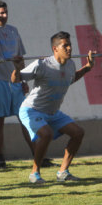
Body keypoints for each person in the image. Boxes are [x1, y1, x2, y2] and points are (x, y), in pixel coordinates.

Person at [12, 32, 94, 183]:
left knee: (78, 133)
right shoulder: (41, 65)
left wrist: (87, 68)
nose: (69, 49)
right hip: (31, 109)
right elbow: (16, 79)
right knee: (46, 133)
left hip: (52, 112)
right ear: (55, 49)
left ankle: (63, 172)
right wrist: (17, 68)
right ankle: (34, 174)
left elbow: (71, 79)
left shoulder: (70, 65)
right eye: (65, 46)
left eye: (70, 45)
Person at [0, 0, 37, 169]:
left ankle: (37, 154)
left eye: (6, 12)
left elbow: (20, 58)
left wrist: (24, 79)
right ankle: (1, 159)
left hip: (16, 80)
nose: (4, 16)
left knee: (25, 118)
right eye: (1, 13)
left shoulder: (13, 30)